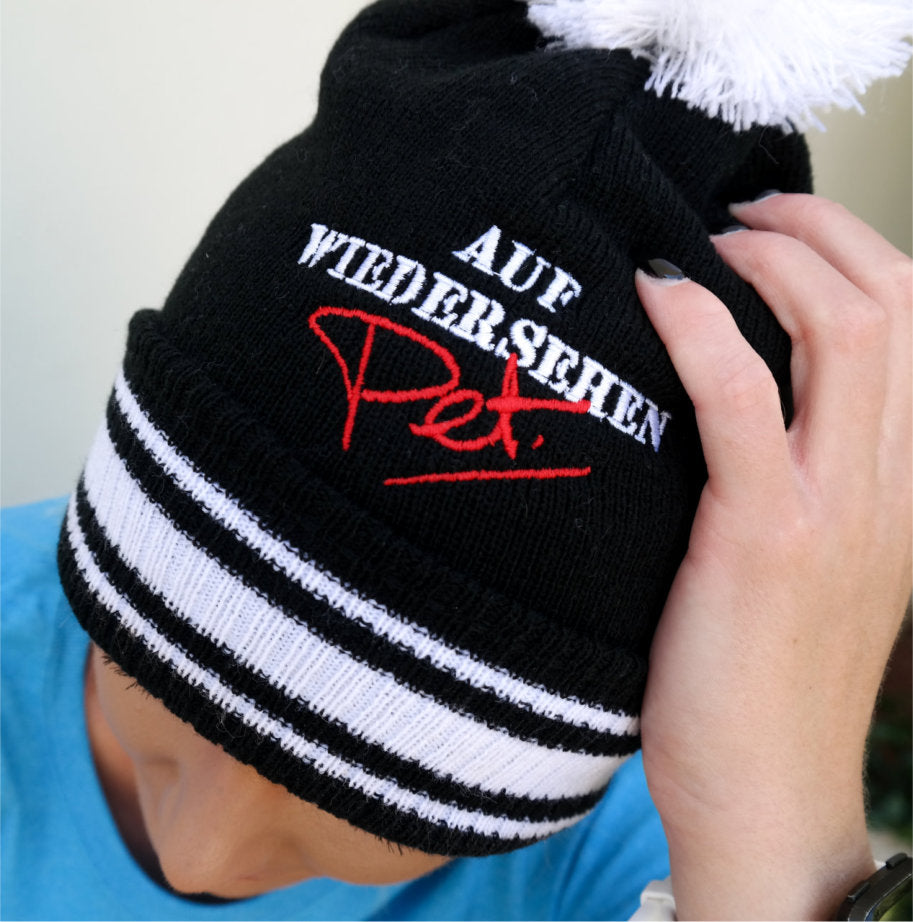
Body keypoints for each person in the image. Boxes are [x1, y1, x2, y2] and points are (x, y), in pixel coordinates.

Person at [3, 2, 911, 919]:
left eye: (377, 802)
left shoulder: (651, 856)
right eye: (148, 666)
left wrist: (779, 841)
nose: (198, 857)